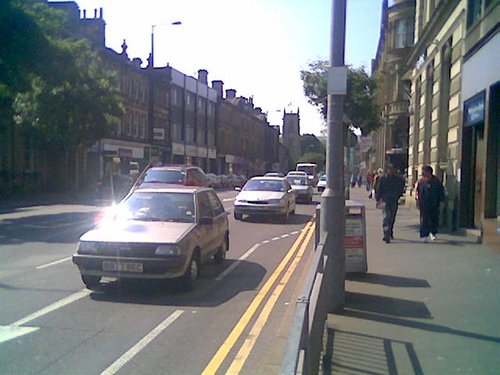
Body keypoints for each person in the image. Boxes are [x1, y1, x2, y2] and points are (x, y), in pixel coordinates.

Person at [375, 164, 405, 243]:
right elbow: (379, 189)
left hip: (394, 200)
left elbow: (401, 188)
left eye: (392, 169)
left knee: (392, 217)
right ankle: (386, 234)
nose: (391, 171)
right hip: (385, 200)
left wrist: (398, 196)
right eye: (389, 169)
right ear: (387, 170)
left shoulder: (398, 179)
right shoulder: (383, 179)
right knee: (386, 217)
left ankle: (390, 231)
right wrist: (378, 199)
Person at [416, 165, 445, 242]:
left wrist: (441, 201)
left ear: (429, 172)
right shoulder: (421, 181)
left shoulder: (436, 181)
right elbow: (418, 192)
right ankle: (423, 235)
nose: (423, 173)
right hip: (423, 204)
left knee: (434, 219)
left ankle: (433, 233)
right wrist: (417, 201)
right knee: (424, 220)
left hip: (434, 203)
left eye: (424, 171)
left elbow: (441, 192)